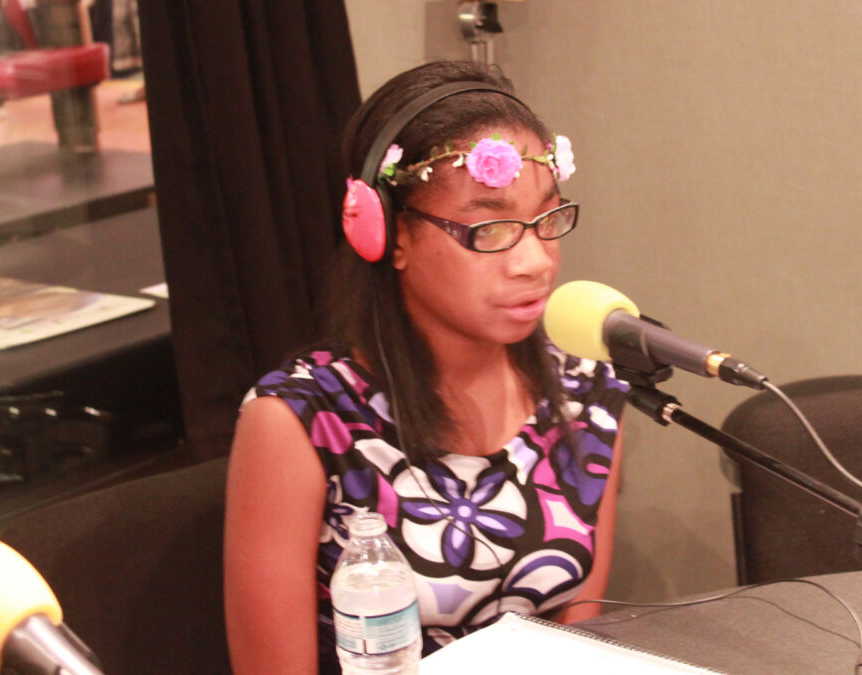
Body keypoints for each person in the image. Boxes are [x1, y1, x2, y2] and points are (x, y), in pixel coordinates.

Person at [224, 60, 629, 674]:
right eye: (490, 227)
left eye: (546, 220)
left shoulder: (586, 397)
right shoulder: (300, 421)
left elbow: (578, 649)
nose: (535, 262)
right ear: (388, 233)